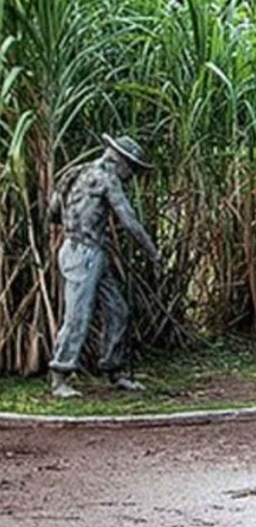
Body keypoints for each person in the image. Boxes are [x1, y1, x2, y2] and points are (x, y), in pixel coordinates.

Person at [48, 134, 162, 399]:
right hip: (83, 254)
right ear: (120, 161)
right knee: (78, 316)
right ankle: (60, 374)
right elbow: (129, 220)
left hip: (82, 251)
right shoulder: (106, 178)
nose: (131, 175)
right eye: (132, 168)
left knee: (118, 310)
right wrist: (153, 253)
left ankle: (114, 369)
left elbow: (53, 211)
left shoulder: (75, 173)